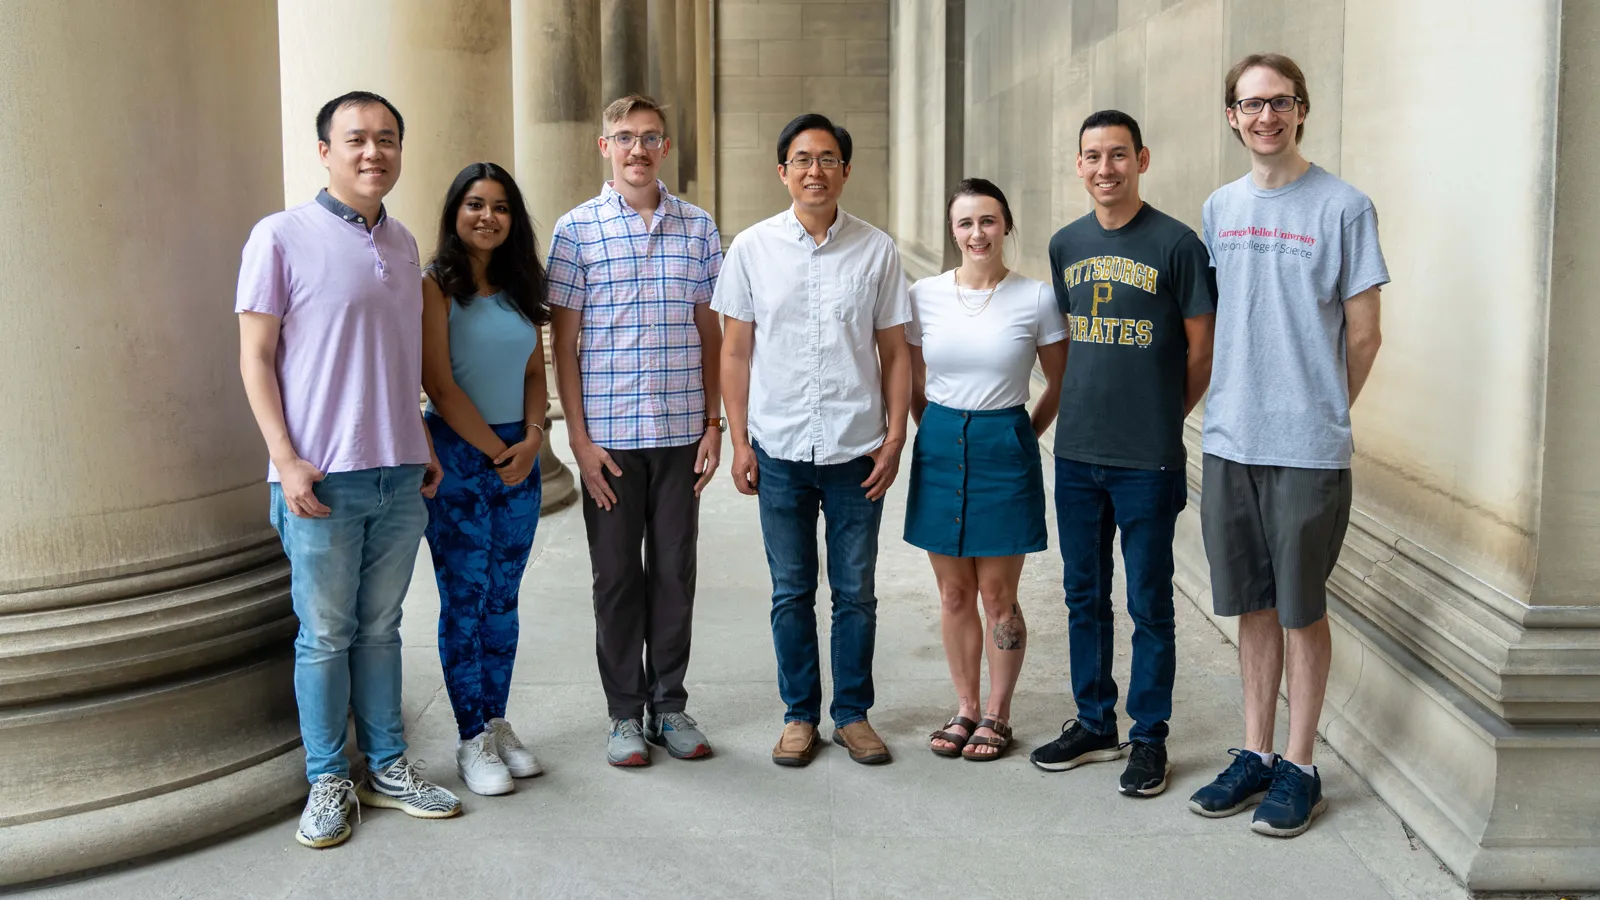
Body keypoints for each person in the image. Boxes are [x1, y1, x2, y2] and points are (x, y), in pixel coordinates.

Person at [236, 90, 462, 850]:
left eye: (388, 139)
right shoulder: (280, 236)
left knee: (382, 629)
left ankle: (388, 766)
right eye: (357, 139)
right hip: (319, 481)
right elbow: (256, 358)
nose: (374, 153)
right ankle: (329, 778)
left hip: (399, 473)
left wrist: (422, 442)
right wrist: (285, 458)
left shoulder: (400, 244)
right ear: (325, 151)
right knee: (325, 636)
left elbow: (400, 363)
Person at [1186, 54, 1387, 837]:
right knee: (1253, 607)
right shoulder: (1218, 206)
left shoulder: (1344, 207)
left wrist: (1324, 411)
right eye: (1250, 104)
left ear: (1301, 110)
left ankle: (1301, 765)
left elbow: (1365, 335)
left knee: (1301, 609)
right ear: (1231, 116)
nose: (1265, 116)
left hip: (1307, 447)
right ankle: (1256, 752)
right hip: (1231, 439)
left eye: (1280, 102)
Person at [1027, 110, 1218, 798]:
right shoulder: (1064, 244)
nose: (1104, 168)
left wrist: (1167, 419)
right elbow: (1066, 345)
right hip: (1076, 453)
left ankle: (1150, 737)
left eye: (1117, 155)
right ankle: (1094, 720)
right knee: (1083, 596)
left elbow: (1203, 350)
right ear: (1078, 166)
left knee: (1149, 602)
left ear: (1141, 159)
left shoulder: (1178, 245)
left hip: (1148, 459)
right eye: (1092, 157)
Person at [715, 113, 912, 768]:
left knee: (855, 591)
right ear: (783, 171)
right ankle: (799, 715)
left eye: (828, 158)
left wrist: (893, 440)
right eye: (802, 159)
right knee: (791, 590)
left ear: (846, 171)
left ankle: (852, 715)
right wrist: (739, 440)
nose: (815, 170)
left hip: (857, 450)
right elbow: (736, 351)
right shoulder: (751, 248)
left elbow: (894, 351)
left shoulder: (877, 250)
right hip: (779, 450)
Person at [547, 94, 724, 768]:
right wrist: (580, 443)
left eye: (651, 137)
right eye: (625, 138)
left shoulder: (699, 228)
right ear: (604, 147)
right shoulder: (576, 230)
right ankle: (625, 713)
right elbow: (564, 347)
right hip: (612, 442)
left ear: (666, 147)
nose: (638, 150)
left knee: (674, 574)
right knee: (617, 577)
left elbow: (712, 332)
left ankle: (669, 705)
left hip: (681, 435)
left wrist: (714, 424)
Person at [907, 178, 1066, 762]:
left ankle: (998, 712)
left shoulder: (1035, 297)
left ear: (1006, 226)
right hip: (942, 441)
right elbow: (912, 377)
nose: (978, 233)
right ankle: (966, 705)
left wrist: (1024, 431)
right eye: (966, 223)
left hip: (1005, 438)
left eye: (989, 221)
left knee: (998, 594)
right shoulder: (924, 294)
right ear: (953, 231)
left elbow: (1060, 379)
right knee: (953, 593)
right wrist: (934, 425)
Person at [420, 162, 550, 796]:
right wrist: (503, 451)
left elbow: (533, 373)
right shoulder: (435, 287)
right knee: (465, 602)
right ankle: (470, 736)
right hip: (462, 459)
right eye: (475, 204)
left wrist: (533, 439)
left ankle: (496, 721)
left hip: (517, 456)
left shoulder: (521, 284)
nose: (488, 217)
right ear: (455, 212)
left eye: (500, 207)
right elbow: (440, 386)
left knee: (503, 601)